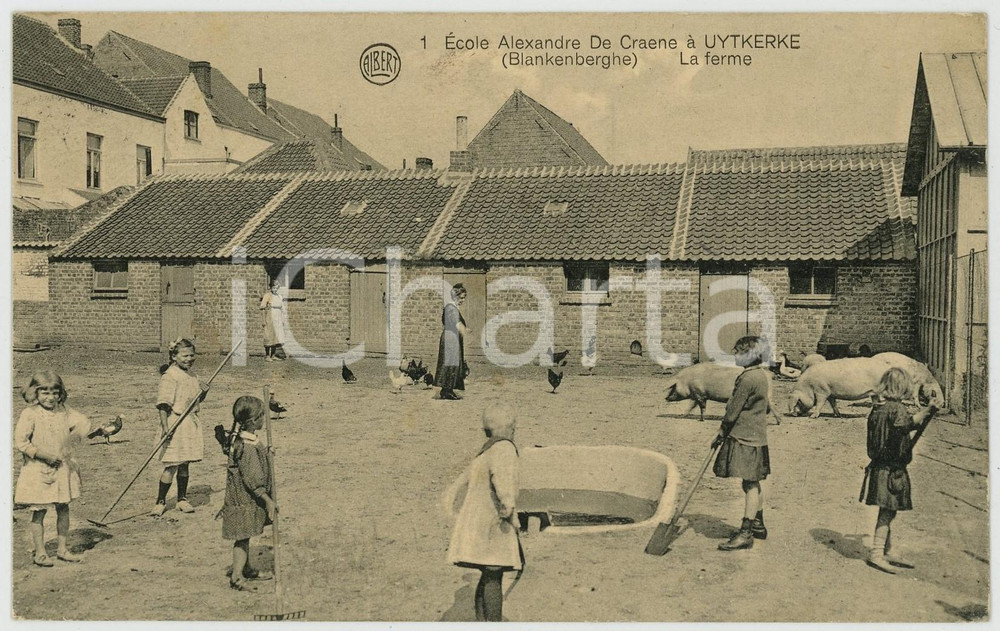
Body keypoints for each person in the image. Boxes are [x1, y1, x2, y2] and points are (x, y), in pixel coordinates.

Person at [446, 405, 522, 621]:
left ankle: (481, 621)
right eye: (513, 426)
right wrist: (508, 508)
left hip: (477, 522)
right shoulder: (504, 448)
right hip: (493, 522)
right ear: (508, 427)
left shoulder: (486, 450)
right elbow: (503, 481)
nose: (515, 430)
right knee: (494, 574)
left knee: (488, 573)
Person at [861, 367, 939, 573]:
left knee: (889, 510)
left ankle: (887, 549)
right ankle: (877, 554)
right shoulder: (897, 409)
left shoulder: (879, 408)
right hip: (890, 469)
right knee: (887, 511)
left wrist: (925, 414)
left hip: (881, 467)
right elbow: (903, 426)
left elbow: (898, 428)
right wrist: (927, 410)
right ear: (902, 387)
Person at [14, 371, 90, 566]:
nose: (51, 398)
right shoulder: (30, 414)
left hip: (61, 468)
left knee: (63, 507)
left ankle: (63, 549)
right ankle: (40, 552)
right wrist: (44, 456)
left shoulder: (63, 410)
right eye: (45, 393)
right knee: (39, 510)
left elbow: (83, 422)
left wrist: (72, 439)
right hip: (39, 469)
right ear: (35, 393)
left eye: (55, 393)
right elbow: (21, 442)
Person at [711, 336, 773, 551]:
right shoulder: (761, 376)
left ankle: (746, 532)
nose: (734, 355)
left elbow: (732, 410)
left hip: (744, 437)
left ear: (750, 355)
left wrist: (721, 430)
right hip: (756, 436)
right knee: (753, 480)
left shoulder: (747, 379)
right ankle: (758, 524)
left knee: (749, 484)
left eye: (738, 352)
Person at [221, 396, 277, 591]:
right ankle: (237, 577)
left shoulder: (248, 441)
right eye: (262, 415)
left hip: (245, 499)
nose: (264, 418)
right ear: (253, 421)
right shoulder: (247, 448)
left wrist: (267, 452)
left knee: (245, 535)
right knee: (242, 536)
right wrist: (268, 501)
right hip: (244, 500)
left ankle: (247, 568)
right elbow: (253, 479)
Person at [152, 338, 207, 516]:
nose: (189, 359)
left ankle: (182, 499)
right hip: (173, 423)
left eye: (192, 355)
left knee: (185, 464)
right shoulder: (170, 376)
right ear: (174, 356)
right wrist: (166, 428)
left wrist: (204, 391)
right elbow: (163, 405)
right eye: (185, 355)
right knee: (171, 465)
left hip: (189, 424)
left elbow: (195, 402)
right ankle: (160, 502)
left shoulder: (193, 376)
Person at [434, 283, 468, 400]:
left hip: (452, 338)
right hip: (450, 339)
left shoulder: (452, 308)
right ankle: (446, 390)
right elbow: (457, 324)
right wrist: (465, 332)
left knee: (452, 363)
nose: (462, 300)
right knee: (450, 363)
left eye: (464, 298)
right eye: (461, 298)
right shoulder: (451, 308)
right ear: (455, 297)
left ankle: (448, 390)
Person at [260, 280, 285, 361]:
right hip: (270, 317)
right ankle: (267, 356)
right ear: (270, 288)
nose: (275, 289)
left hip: (278, 318)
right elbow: (263, 308)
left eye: (276, 287)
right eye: (273, 287)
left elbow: (282, 309)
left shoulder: (279, 296)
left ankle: (273, 355)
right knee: (268, 336)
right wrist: (264, 320)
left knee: (276, 336)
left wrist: (282, 320)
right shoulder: (267, 295)